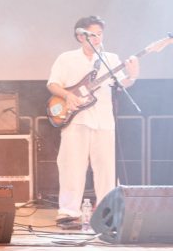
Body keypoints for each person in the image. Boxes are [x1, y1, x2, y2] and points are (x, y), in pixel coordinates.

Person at [47, 16, 139, 224]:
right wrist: (68, 96)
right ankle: (69, 212)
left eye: (100, 34)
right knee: (71, 166)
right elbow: (53, 84)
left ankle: (108, 212)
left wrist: (132, 76)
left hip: (104, 120)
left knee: (107, 169)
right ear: (80, 36)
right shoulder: (66, 58)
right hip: (76, 120)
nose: (97, 38)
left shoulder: (110, 59)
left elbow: (120, 84)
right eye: (92, 34)